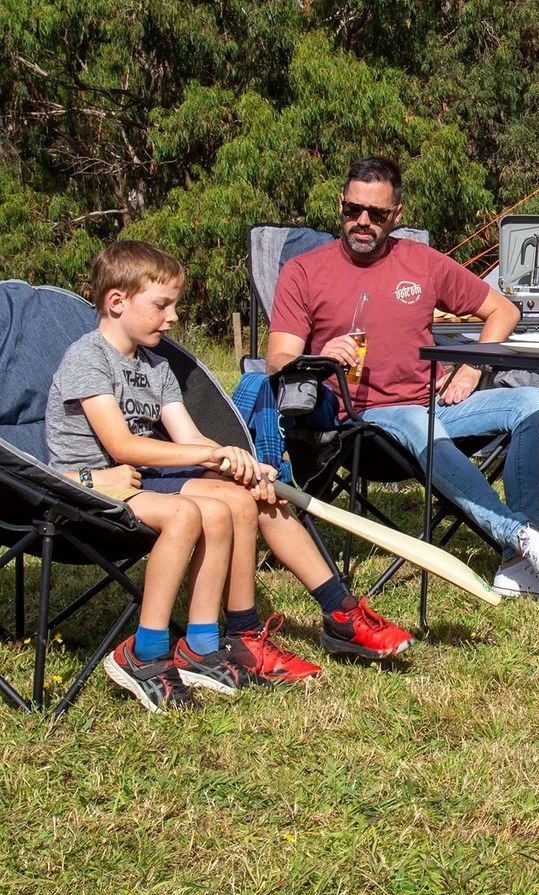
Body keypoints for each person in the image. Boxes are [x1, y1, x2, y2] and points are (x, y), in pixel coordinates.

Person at [46, 241, 414, 711]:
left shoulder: (156, 367)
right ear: (117, 302)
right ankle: (149, 651)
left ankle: (213, 643)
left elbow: (187, 436)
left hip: (142, 476)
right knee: (190, 513)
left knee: (243, 498)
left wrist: (236, 461)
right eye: (162, 305)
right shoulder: (89, 358)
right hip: (91, 483)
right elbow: (122, 446)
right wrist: (211, 455)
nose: (174, 317)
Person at [266, 155, 539, 599]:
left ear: (396, 216)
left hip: (430, 408)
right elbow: (278, 359)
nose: (362, 221)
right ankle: (519, 537)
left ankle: (517, 570)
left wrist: (473, 365)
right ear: (340, 204)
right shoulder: (303, 272)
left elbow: (504, 310)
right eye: (352, 210)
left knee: (535, 403)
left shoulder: (423, 263)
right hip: (358, 425)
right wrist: (319, 354)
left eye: (376, 214)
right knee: (418, 422)